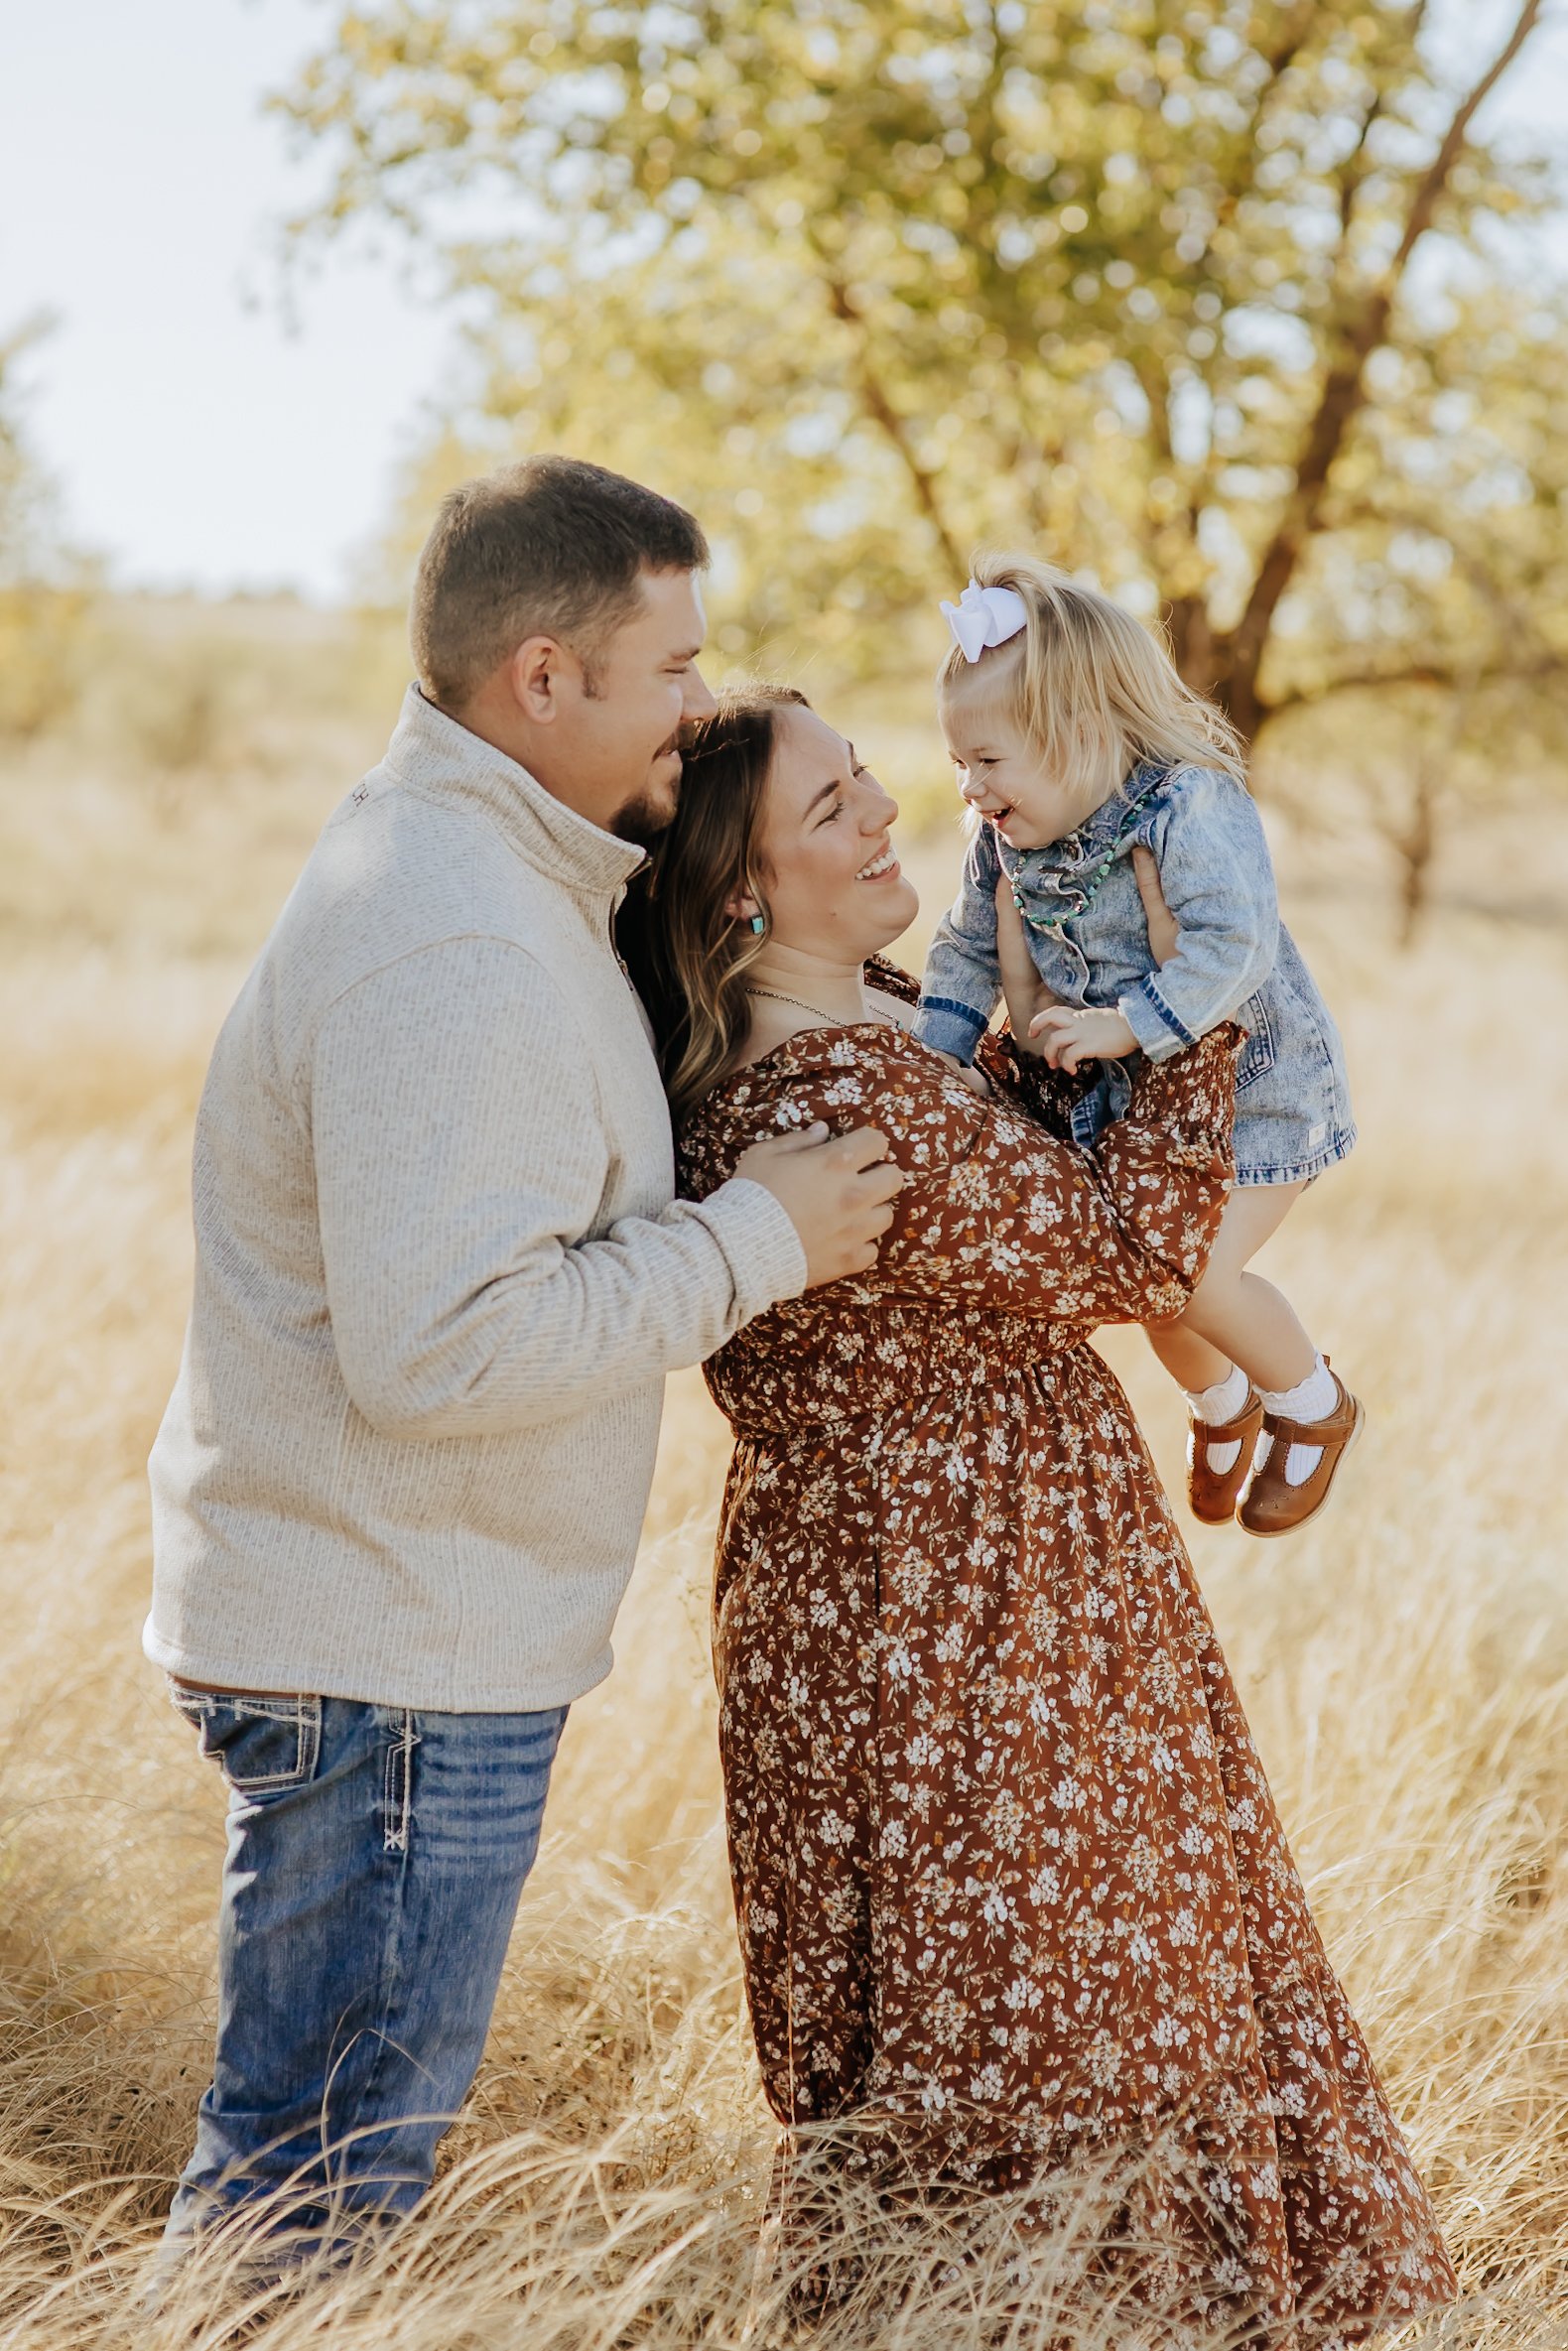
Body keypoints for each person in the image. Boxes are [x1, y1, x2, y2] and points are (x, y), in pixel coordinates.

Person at [628, 684, 1456, 2339]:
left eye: (870, 778)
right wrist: (1196, 992)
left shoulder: (793, 1061)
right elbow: (1138, 1245)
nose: (883, 813)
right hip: (985, 1626)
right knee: (1065, 2005)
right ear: (741, 893)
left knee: (937, 2019)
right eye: (833, 808)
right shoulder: (854, 1101)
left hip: (873, 1607)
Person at [142, 458, 903, 2258]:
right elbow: (442, 1348)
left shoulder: (499, 872)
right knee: (310, 2196)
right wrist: (760, 1239)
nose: (703, 706)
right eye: (673, 669)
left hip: (399, 1634)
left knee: (314, 2171)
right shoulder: (454, 928)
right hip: (392, 1654)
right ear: (541, 678)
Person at [916, 557, 1361, 1539]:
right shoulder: (999, 836)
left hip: (1254, 1095)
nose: (967, 784)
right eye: (959, 760)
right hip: (1139, 1107)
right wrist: (937, 1060)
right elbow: (962, 945)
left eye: (988, 759)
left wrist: (1126, 1025)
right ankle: (1221, 1406)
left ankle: (1312, 1402)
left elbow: (1230, 944)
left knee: (1197, 1274)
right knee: (1154, 1287)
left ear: (1078, 735)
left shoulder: (1185, 805)